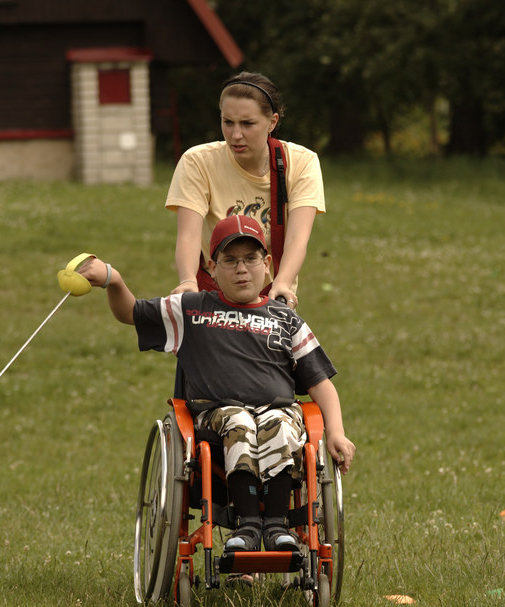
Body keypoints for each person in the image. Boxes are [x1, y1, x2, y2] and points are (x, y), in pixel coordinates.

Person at [76, 214, 355, 554]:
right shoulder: (192, 311)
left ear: (267, 264)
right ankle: (248, 525)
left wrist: (337, 432)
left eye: (251, 259)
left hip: (277, 412)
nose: (241, 269)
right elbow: (131, 313)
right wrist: (113, 280)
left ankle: (278, 526)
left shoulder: (286, 320)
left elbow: (320, 383)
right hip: (215, 417)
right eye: (230, 260)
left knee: (281, 423)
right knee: (239, 420)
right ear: (211, 267)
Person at [165, 71, 325, 311]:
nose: (235, 135)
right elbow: (188, 235)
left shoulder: (302, 162)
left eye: (247, 124)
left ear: (272, 122)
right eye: (228, 122)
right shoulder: (197, 161)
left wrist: (282, 284)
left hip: (270, 296)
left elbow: (296, 238)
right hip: (213, 294)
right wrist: (188, 281)